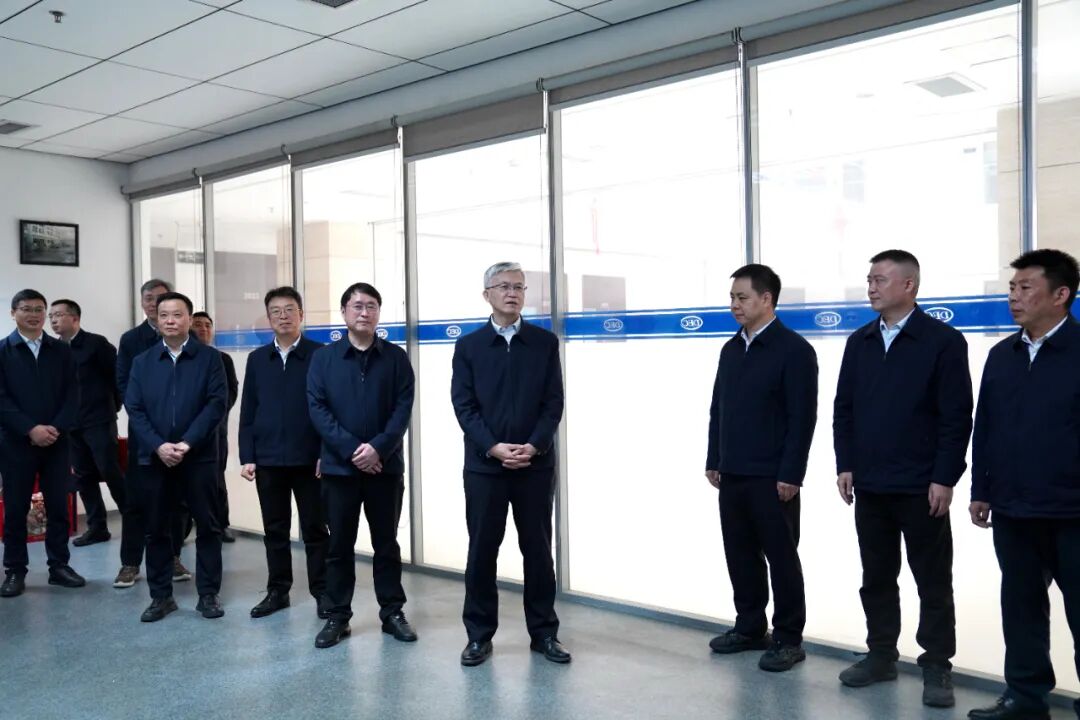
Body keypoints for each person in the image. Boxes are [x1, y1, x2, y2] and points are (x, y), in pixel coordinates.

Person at [833, 249, 973, 708]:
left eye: (880, 279)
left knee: (932, 581)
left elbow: (957, 417)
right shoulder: (860, 341)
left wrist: (945, 477)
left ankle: (937, 665)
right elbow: (844, 409)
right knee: (876, 576)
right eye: (869, 279)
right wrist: (845, 463)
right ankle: (880, 655)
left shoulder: (942, 341)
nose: (871, 287)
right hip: (871, 484)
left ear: (909, 285)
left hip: (921, 486)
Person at [968, 250, 1080, 720]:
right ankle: (1025, 698)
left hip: (1072, 512)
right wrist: (980, 489)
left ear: (1061, 294)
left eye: (1025, 287)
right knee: (1021, 609)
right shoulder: (1003, 354)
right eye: (1012, 288)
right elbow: (986, 426)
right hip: (1013, 508)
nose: (1014, 296)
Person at [450, 261, 568, 667]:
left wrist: (534, 446)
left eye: (519, 286)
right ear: (487, 295)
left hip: (535, 467)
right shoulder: (469, 347)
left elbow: (554, 402)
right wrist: (493, 447)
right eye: (503, 286)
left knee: (538, 551)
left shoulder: (543, 343)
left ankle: (544, 633)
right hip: (485, 468)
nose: (512, 293)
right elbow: (464, 406)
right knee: (482, 551)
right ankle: (478, 636)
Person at [705, 264, 817, 672]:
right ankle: (751, 627)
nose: (734, 305)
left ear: (767, 299)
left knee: (782, 558)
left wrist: (791, 473)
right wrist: (714, 458)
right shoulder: (731, 349)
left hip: (773, 477)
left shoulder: (794, 350)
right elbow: (718, 408)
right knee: (740, 554)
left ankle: (789, 638)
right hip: (732, 472)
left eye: (742, 297)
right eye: (732, 298)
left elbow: (802, 418)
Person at [307, 282, 416, 648]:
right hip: (339, 471)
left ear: (379, 313)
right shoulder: (324, 359)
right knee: (339, 545)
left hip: (385, 469)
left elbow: (403, 409)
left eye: (371, 306)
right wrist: (355, 450)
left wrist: (378, 450)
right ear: (344, 312)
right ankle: (338, 616)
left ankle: (392, 613)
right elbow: (317, 409)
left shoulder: (396, 358)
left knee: (386, 544)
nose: (364, 312)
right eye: (357, 306)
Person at [125, 292, 227, 622]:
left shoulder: (210, 359)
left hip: (198, 457)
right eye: (164, 314)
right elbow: (134, 408)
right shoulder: (142, 362)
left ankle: (208, 594)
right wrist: (159, 446)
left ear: (189, 319)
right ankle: (161, 597)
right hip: (155, 459)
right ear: (156, 319)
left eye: (177, 314)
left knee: (208, 527)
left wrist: (187, 443)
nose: (170, 320)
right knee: (156, 528)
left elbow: (216, 404)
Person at [239, 287, 329, 619]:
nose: (283, 316)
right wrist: (247, 455)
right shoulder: (257, 359)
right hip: (268, 459)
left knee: (316, 530)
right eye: (275, 311)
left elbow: (330, 408)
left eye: (290, 309)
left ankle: (323, 592)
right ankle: (278, 591)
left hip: (310, 460)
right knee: (275, 530)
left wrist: (326, 452)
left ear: (301, 315)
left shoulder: (321, 355)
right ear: (268, 318)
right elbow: (248, 411)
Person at [0, 289, 85, 597]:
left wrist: (55, 428)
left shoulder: (61, 350)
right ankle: (15, 570)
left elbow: (73, 394)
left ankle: (59, 566)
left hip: (57, 442)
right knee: (15, 508)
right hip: (15, 443)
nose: (34, 315)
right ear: (13, 313)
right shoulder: (3, 351)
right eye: (26, 309)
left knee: (59, 507)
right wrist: (30, 429)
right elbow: (1, 399)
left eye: (39, 309)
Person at [116, 278, 191, 587]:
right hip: (145, 435)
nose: (154, 303)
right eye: (149, 298)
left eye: (160, 298)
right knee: (137, 501)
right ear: (143, 302)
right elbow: (124, 385)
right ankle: (130, 563)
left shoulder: (188, 339)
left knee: (178, 501)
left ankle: (172, 556)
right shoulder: (131, 339)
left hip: (181, 436)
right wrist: (150, 426)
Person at [49, 299, 124, 551]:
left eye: (59, 315)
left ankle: (135, 521)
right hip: (70, 425)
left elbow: (117, 378)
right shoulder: (53, 349)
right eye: (51, 316)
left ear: (75, 318)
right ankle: (97, 527)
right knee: (83, 476)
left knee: (110, 471)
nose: (53, 320)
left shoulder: (96, 344)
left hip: (98, 420)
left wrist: (112, 407)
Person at [191, 311, 239, 543]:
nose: (203, 329)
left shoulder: (223, 359)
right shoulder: (185, 358)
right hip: (186, 431)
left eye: (207, 325)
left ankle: (222, 524)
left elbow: (230, 393)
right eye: (198, 325)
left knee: (216, 479)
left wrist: (213, 415)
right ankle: (186, 526)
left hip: (215, 430)